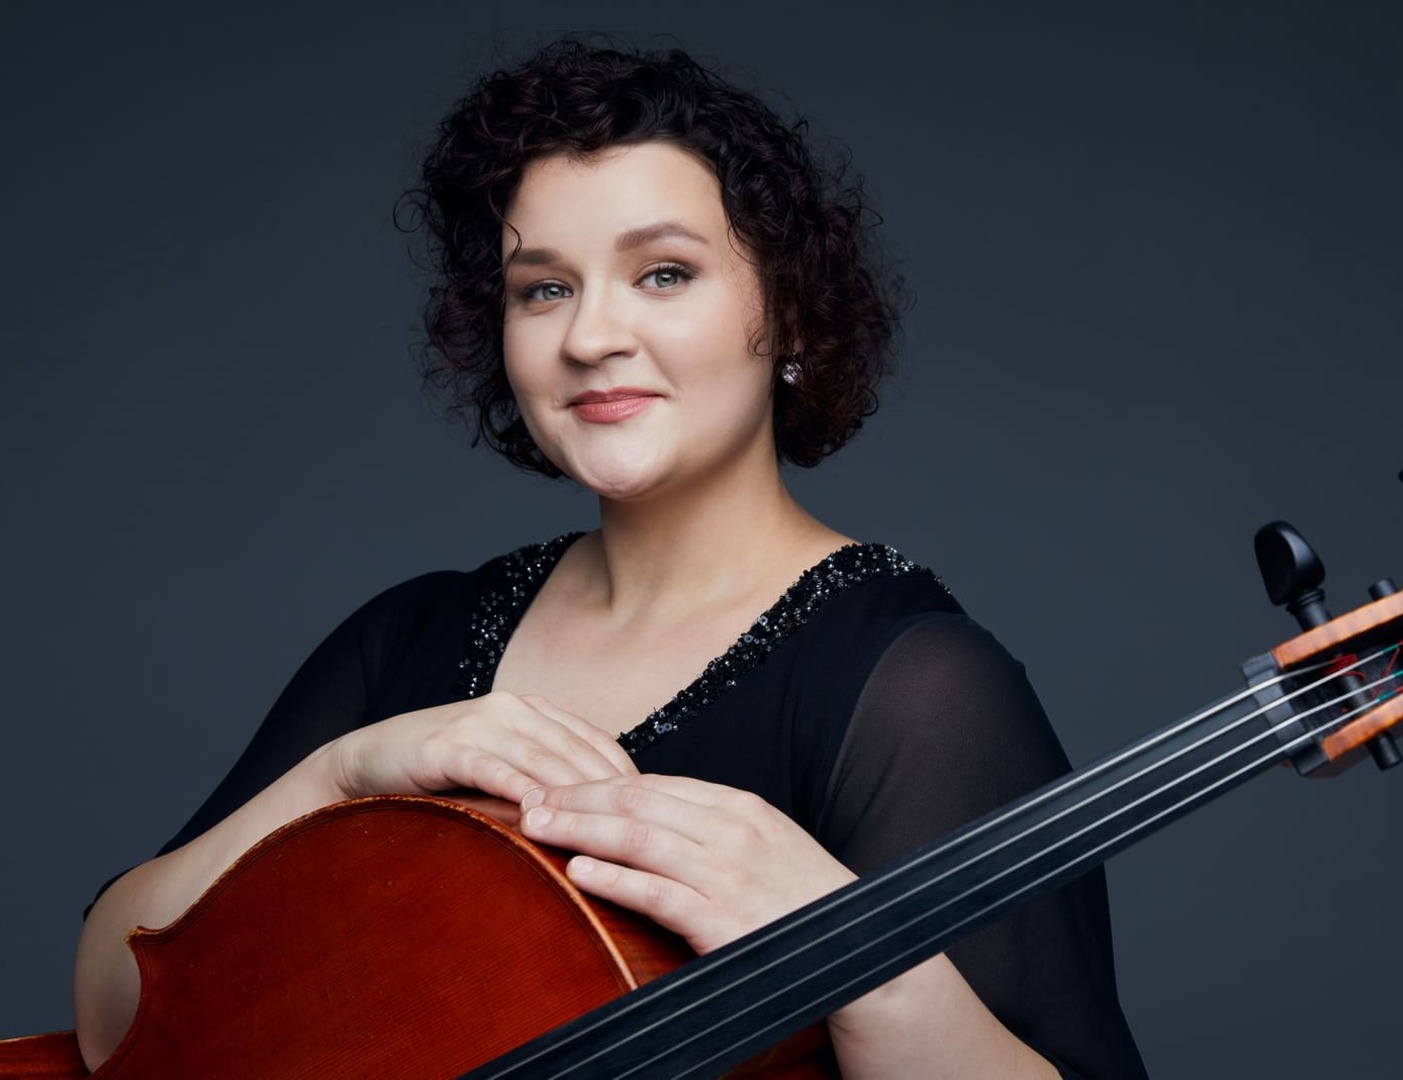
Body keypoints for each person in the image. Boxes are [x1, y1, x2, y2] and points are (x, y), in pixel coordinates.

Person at [71, 39, 1148, 1079]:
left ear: (789, 313)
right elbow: (115, 1019)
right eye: (543, 288)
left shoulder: (913, 687)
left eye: (663, 274)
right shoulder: (408, 639)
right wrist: (341, 774)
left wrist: (856, 955)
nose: (590, 337)